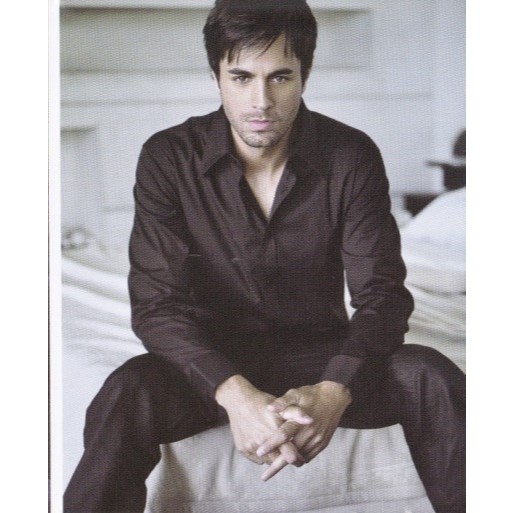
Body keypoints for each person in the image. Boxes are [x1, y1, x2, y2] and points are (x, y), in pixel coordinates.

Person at [63, 1, 465, 512]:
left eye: (280, 77)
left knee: (431, 375)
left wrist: (334, 390)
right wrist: (236, 395)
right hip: (213, 363)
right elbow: (157, 306)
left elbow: (382, 296)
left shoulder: (350, 154)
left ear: (304, 76)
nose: (261, 101)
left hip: (321, 354)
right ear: (216, 77)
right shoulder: (169, 157)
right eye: (241, 77)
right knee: (125, 391)